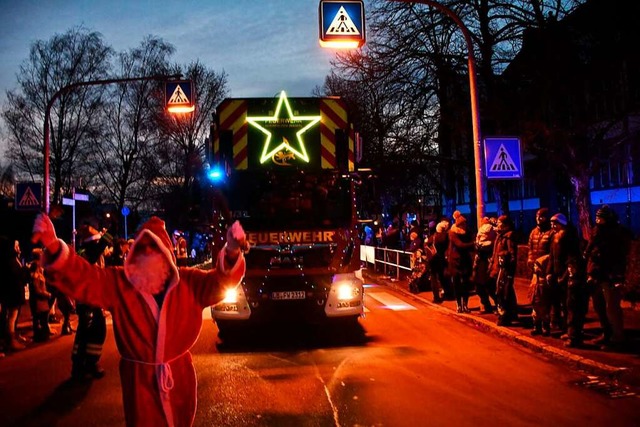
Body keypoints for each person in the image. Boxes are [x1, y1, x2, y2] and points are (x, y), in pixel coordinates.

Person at [32, 213, 246, 427]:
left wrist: (232, 250)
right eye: (143, 250)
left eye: (156, 250)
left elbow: (221, 282)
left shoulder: (188, 282)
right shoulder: (120, 284)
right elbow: (85, 278)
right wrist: (52, 245)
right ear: (134, 255)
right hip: (138, 382)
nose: (150, 256)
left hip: (178, 378)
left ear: (167, 255)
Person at [583, 205, 631, 350]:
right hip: (597, 275)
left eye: (600, 218)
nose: (597, 220)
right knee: (599, 306)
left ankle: (617, 338)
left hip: (609, 276)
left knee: (612, 308)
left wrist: (617, 276)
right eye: (597, 217)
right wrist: (590, 271)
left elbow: (619, 256)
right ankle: (606, 333)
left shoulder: (617, 233)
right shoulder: (597, 231)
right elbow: (591, 251)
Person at [69, 224, 112, 380]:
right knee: (87, 332)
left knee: (95, 331)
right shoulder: (84, 252)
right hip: (86, 300)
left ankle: (89, 363)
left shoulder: (91, 251)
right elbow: (94, 254)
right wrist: (109, 233)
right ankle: (80, 366)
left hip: (93, 298)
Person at [545, 213, 581, 335]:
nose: (553, 226)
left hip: (565, 274)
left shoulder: (569, 236)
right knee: (558, 302)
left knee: (568, 304)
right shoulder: (554, 237)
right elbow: (552, 256)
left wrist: (565, 275)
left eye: (555, 223)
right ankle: (563, 327)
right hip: (556, 274)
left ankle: (570, 330)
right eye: (551, 224)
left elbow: (571, 257)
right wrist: (549, 272)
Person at [0, 238, 30, 351]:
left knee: (13, 317)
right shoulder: (10, 261)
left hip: (15, 293)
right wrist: (25, 270)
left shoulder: (13, 259)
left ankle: (13, 338)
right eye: (16, 246)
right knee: (11, 317)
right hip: (13, 294)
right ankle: (10, 341)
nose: (18, 248)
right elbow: (16, 275)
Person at [488, 215, 518, 325]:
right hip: (497, 268)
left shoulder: (508, 237)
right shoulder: (499, 236)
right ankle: (508, 313)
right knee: (501, 291)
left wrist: (509, 268)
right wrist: (491, 264)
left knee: (505, 293)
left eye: (500, 223)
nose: (497, 225)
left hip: (504, 270)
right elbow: (495, 253)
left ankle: (506, 316)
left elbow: (512, 255)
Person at [446, 215, 475, 313]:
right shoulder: (452, 233)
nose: (465, 225)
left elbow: (469, 244)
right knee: (457, 283)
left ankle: (465, 305)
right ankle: (459, 305)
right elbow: (459, 244)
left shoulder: (467, 232)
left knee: (466, 284)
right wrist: (473, 244)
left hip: (465, 260)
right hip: (455, 261)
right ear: (459, 224)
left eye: (465, 223)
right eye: (463, 224)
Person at [472, 217, 497, 313]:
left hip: (486, 264)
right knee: (483, 286)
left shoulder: (487, 240)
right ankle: (489, 305)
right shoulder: (491, 236)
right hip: (483, 264)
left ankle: (494, 305)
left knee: (487, 286)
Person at [29, 249, 52, 342]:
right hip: (39, 301)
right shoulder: (36, 275)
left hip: (41, 301)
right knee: (40, 319)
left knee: (40, 319)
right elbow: (37, 290)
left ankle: (41, 335)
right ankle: (40, 336)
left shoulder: (39, 273)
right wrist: (48, 294)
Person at [527, 208, 554, 276]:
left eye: (541, 217)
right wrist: (530, 259)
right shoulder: (533, 232)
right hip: (534, 266)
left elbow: (552, 252)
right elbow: (530, 248)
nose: (538, 218)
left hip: (545, 266)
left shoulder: (551, 232)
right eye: (537, 216)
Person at [428, 220, 450, 303]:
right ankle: (447, 294)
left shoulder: (434, 237)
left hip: (433, 259)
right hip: (442, 259)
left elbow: (427, 244)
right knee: (443, 277)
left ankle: (436, 297)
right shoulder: (447, 237)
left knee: (434, 278)